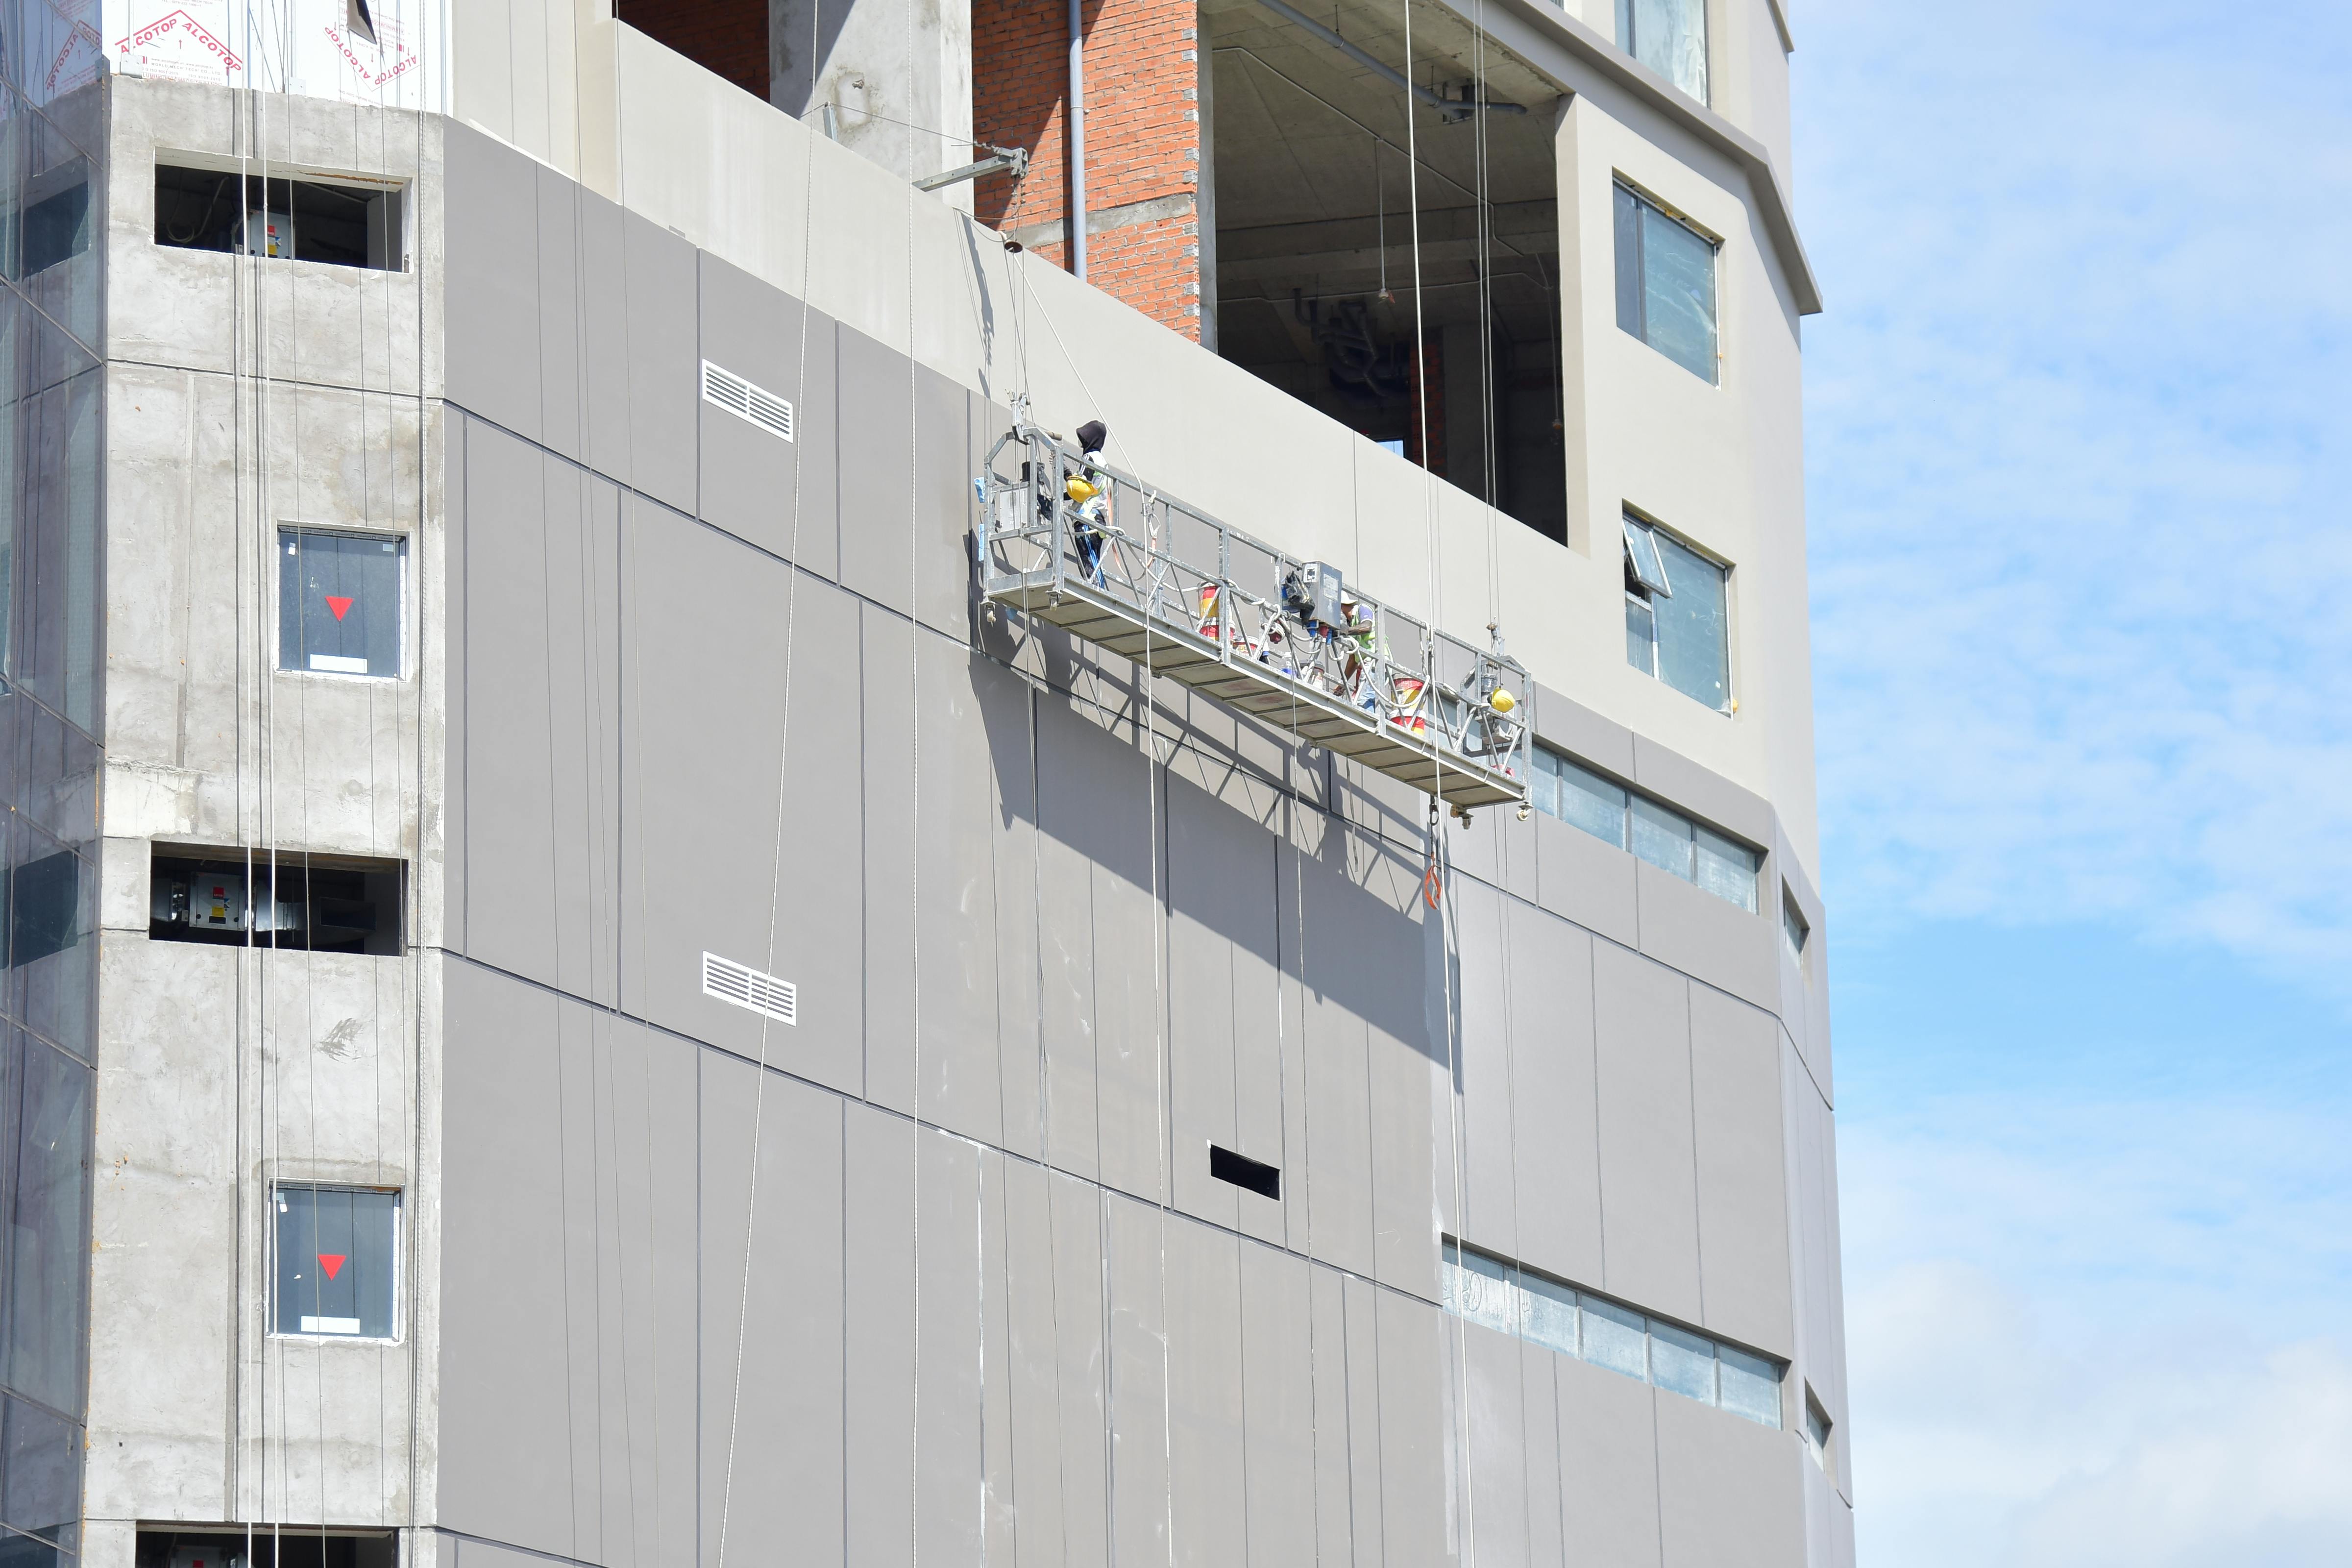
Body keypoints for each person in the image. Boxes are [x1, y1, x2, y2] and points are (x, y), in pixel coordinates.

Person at [1067, 419, 1110, 582]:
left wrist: (1065, 474)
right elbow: (1089, 488)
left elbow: (1079, 490)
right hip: (1098, 519)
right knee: (1094, 562)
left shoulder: (1089, 458)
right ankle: (1098, 588)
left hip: (1087, 518)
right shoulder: (1103, 462)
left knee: (1088, 564)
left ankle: (1098, 591)